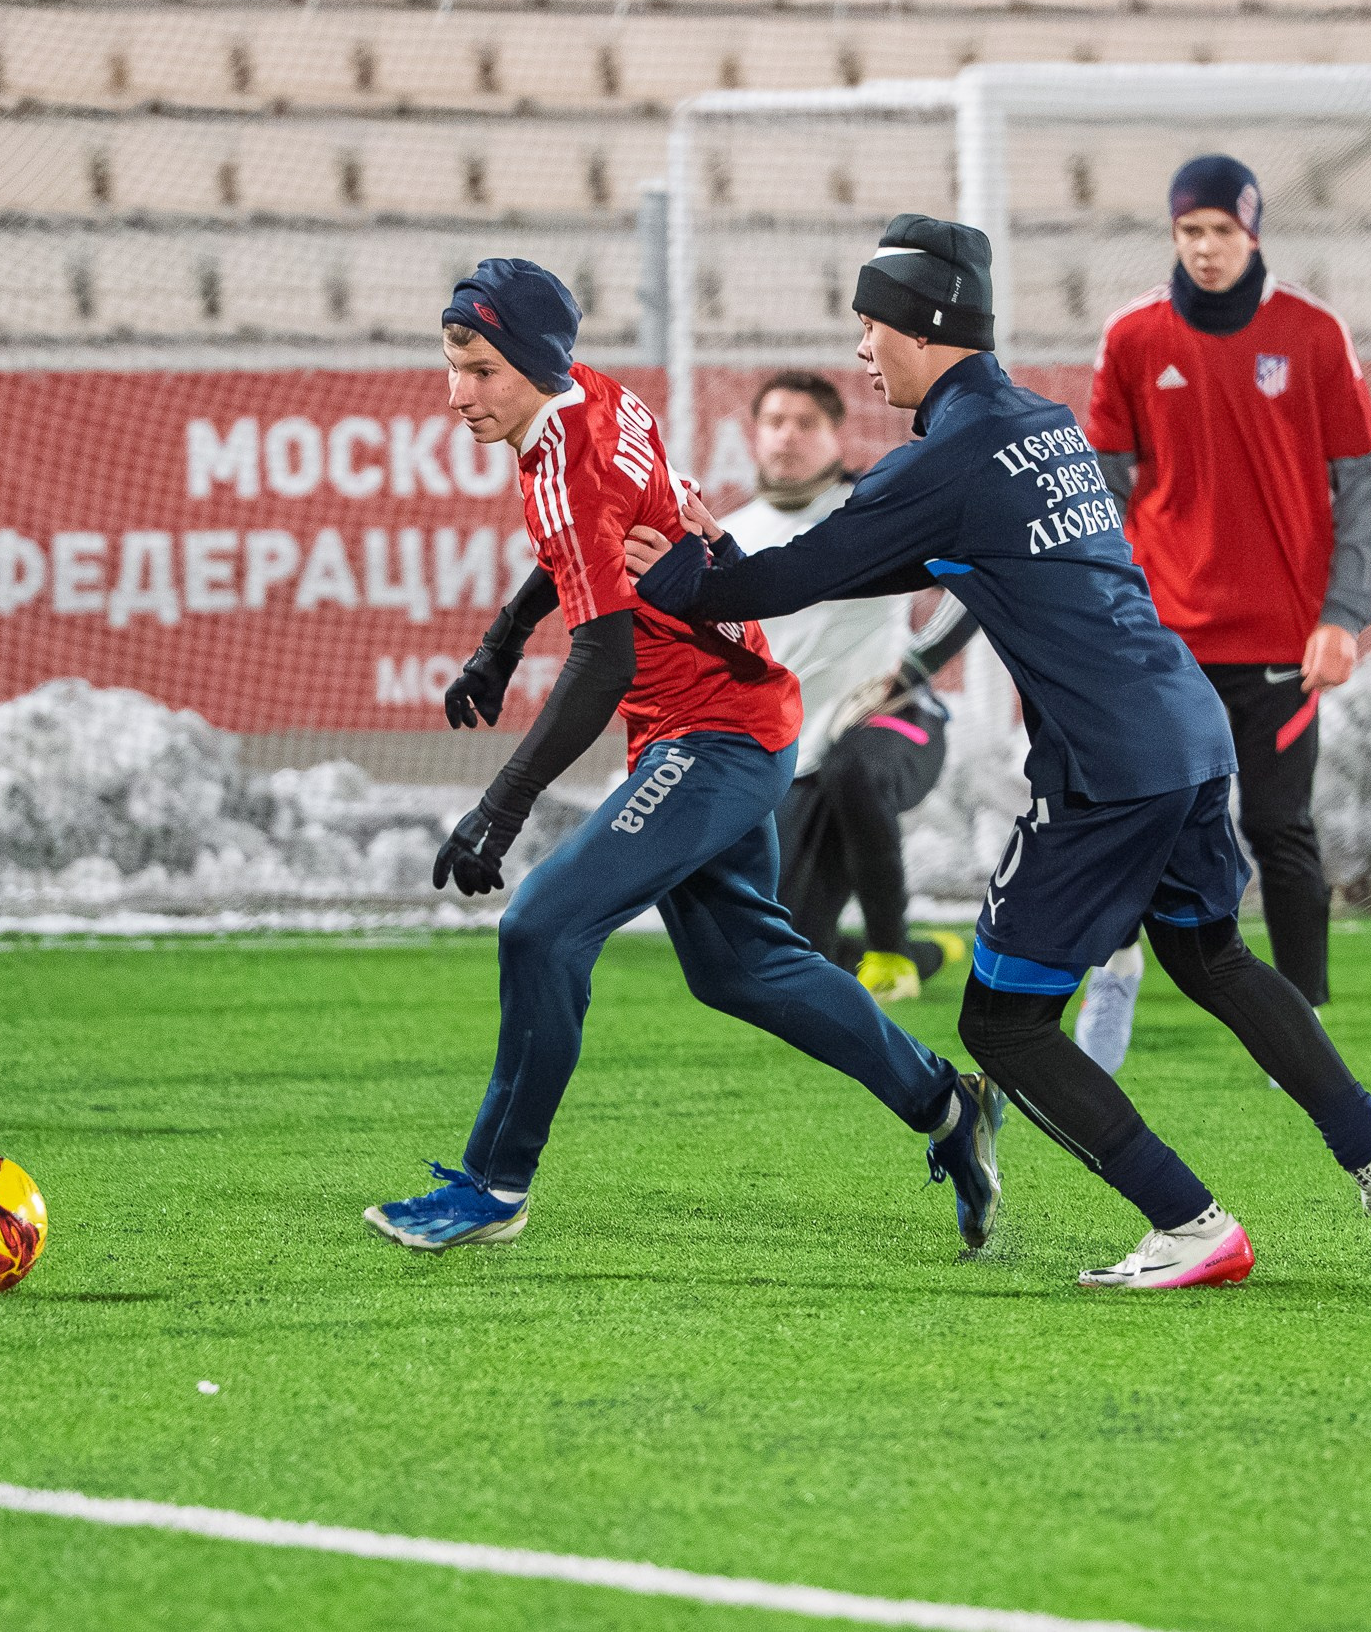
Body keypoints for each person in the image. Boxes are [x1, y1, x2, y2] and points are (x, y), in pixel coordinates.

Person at [626, 214, 1371, 1290]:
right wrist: (722, 553)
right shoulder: (1035, 423)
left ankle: (1190, 1224)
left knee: (1001, 1024)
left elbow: (797, 573)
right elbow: (869, 553)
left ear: (921, 327)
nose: (862, 351)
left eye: (869, 327)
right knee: (1212, 959)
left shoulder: (947, 456)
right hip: (1185, 729)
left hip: (1105, 767)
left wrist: (678, 572)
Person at [361, 257, 1001, 1254]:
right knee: (743, 967)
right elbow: (575, 546)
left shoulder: (570, 452)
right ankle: (947, 1107)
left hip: (717, 733)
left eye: (480, 370)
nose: (458, 394)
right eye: (450, 365)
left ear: (530, 364)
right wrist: (496, 646)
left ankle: (493, 1186)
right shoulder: (590, 402)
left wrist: (503, 803)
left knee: (541, 925)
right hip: (733, 720)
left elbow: (603, 657)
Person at [1072, 155, 1371, 1076]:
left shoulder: (1313, 332)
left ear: (1252, 233)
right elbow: (1103, 488)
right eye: (1189, 231)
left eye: (1221, 230)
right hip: (1165, 637)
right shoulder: (1133, 336)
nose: (1205, 248)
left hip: (1284, 643)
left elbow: (1362, 485)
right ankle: (1115, 970)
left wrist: (1346, 613)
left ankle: (1308, 1021)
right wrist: (1102, 614)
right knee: (1138, 814)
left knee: (1280, 829)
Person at [725, 370, 979, 1001]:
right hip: (793, 758)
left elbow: (977, 575)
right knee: (770, 957)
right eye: (774, 422)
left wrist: (913, 669)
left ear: (836, 436)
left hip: (895, 720)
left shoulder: (872, 511)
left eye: (806, 423)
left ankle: (891, 951)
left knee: (853, 767)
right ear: (753, 436)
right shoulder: (727, 536)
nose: (788, 436)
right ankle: (916, 954)